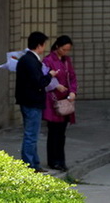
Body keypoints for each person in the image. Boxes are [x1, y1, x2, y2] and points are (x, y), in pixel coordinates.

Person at [15, 31, 58, 172]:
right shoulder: (31, 61)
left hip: (28, 100)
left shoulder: (26, 59)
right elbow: (39, 82)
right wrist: (50, 76)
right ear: (39, 45)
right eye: (44, 44)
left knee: (32, 134)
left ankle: (34, 163)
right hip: (32, 101)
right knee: (31, 135)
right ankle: (30, 164)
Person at [42, 35, 78, 171]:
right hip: (53, 100)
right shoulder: (48, 60)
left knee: (61, 133)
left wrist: (73, 91)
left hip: (66, 99)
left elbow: (73, 78)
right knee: (54, 132)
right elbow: (45, 78)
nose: (65, 52)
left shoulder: (67, 61)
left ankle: (61, 160)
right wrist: (56, 86)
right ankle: (53, 160)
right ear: (57, 47)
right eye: (64, 49)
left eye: (68, 50)